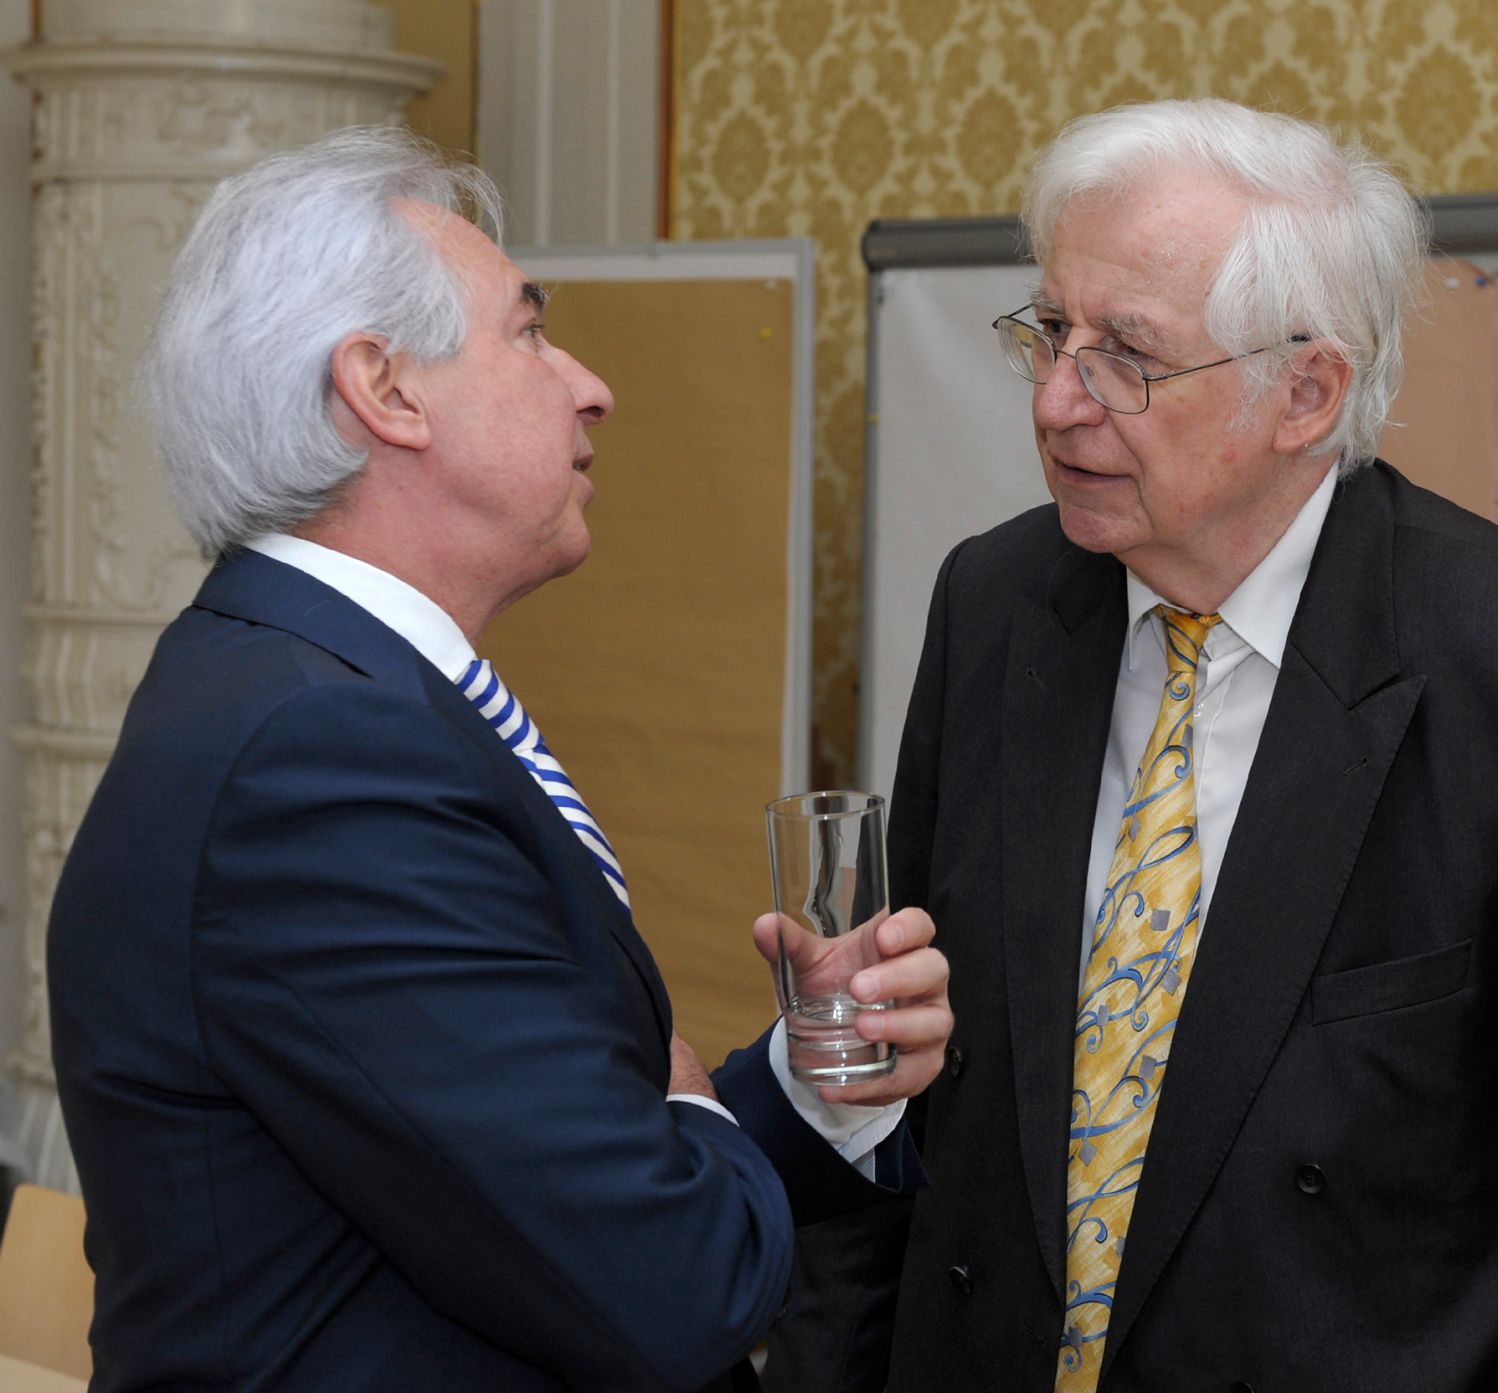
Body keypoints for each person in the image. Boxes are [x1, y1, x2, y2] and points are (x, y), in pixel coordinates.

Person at [762, 99, 1498, 1392]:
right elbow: (908, 1093)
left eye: (1127, 356)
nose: (1056, 401)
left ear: (1307, 392)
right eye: (1050, 332)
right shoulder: (995, 607)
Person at [47, 125, 952, 1392]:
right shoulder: (324, 756)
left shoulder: (321, 689)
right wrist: (682, 1100)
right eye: (528, 333)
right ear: (386, 390)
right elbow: (663, 1279)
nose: (590, 385)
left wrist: (810, 1088)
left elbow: (527, 1174)